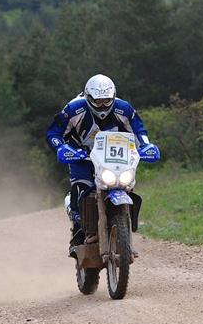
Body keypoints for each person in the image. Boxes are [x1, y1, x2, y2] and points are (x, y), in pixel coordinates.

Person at [46, 74, 160, 249]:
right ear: (88, 97)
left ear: (113, 96)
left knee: (126, 184)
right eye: (98, 101)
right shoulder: (75, 109)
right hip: (81, 155)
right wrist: (61, 147)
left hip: (115, 156)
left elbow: (139, 130)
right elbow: (54, 132)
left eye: (107, 101)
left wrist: (146, 146)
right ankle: (78, 231)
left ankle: (124, 226)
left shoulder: (124, 109)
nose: (102, 106)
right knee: (82, 187)